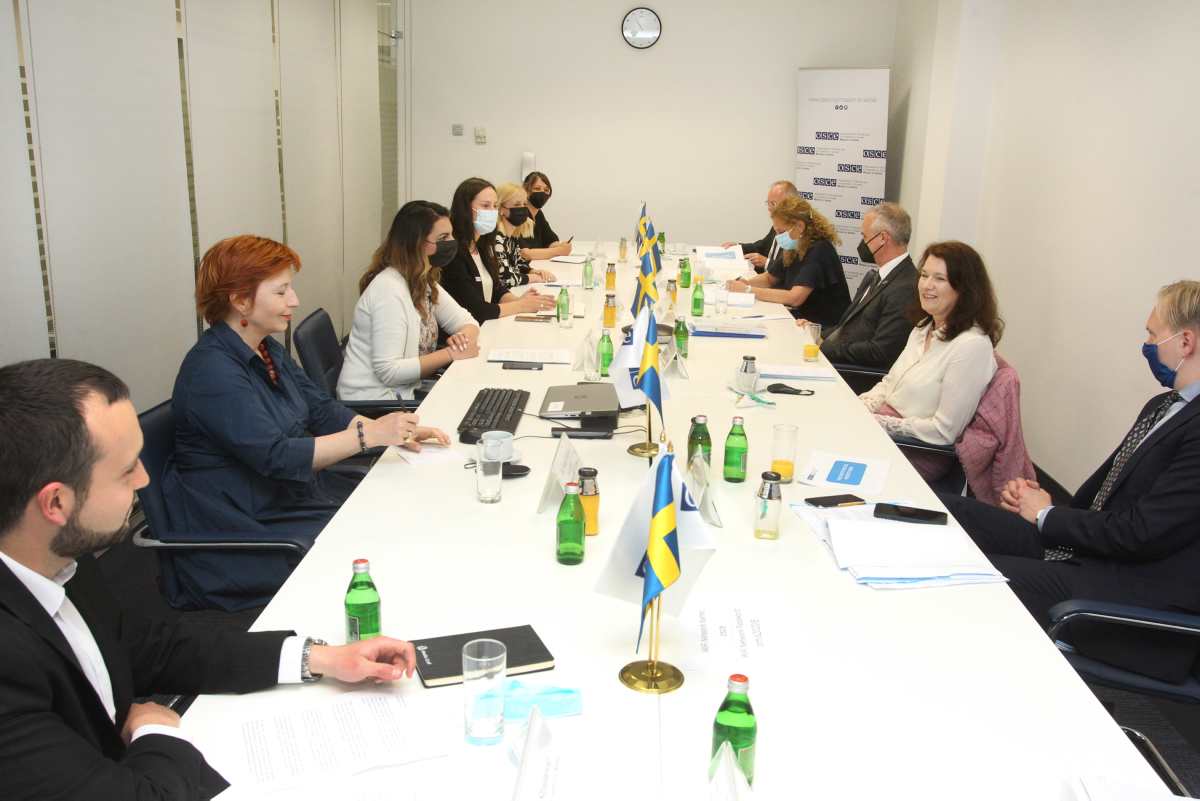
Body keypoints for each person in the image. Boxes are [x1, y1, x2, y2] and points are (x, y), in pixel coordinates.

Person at [0, 358, 421, 801]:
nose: (145, 479)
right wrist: (155, 732)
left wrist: (320, 658)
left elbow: (150, 648)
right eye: (126, 471)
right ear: (56, 503)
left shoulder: (58, 556)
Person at [163, 235, 448, 610]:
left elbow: (321, 410)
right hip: (250, 529)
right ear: (240, 300)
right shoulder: (212, 371)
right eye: (281, 292)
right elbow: (279, 456)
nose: (294, 301)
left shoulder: (265, 348)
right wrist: (370, 435)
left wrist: (392, 432)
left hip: (290, 497)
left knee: (403, 511)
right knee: (391, 543)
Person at [943, 280, 1200, 682]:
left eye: (1153, 335)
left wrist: (1046, 516)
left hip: (1132, 589)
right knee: (950, 511)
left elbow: (1142, 532)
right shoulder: (1164, 405)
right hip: (1095, 549)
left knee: (969, 575)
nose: (1147, 345)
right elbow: (1109, 495)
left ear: (1185, 342)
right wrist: (1043, 504)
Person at [860, 241, 1001, 480]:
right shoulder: (923, 328)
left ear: (964, 289)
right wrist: (862, 406)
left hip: (913, 450)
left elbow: (944, 431)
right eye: (924, 275)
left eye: (940, 279)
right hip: (883, 433)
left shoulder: (971, 346)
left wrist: (881, 423)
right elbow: (889, 383)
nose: (926, 285)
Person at [340, 201, 481, 401]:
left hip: (405, 391)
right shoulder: (388, 290)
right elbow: (389, 371)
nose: (452, 243)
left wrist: (461, 341)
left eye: (451, 235)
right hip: (376, 401)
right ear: (417, 243)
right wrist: (452, 353)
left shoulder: (422, 280)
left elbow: (469, 322)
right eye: (443, 238)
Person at [809, 201, 917, 370]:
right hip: (837, 359)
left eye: (865, 237)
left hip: (852, 373)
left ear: (883, 238)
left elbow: (881, 351)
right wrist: (814, 333)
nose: (862, 243)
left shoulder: (905, 287)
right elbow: (846, 326)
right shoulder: (874, 276)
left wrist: (826, 348)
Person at [438, 177, 556, 322]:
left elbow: (496, 289)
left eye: (495, 206)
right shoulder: (454, 253)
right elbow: (477, 310)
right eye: (485, 206)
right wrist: (521, 305)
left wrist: (519, 300)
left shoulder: (483, 244)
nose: (493, 211)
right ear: (465, 208)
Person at [725, 196, 850, 328]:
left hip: (822, 326)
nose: (778, 237)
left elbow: (795, 298)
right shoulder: (794, 245)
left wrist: (748, 290)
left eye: (782, 232)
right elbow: (769, 278)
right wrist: (745, 283)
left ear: (800, 226)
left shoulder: (819, 250)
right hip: (800, 318)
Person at [721, 180, 800, 274]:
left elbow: (790, 270)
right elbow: (761, 245)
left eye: (773, 204)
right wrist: (737, 247)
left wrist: (766, 262)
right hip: (764, 277)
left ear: (790, 205)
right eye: (768, 203)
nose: (769, 208)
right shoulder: (777, 225)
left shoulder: (798, 232)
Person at [494, 182, 555, 289]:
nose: (522, 209)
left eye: (524, 204)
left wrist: (533, 271)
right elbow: (505, 279)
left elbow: (519, 264)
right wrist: (533, 278)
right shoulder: (496, 238)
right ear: (501, 209)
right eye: (517, 205)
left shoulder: (512, 237)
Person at [518, 171, 572, 261]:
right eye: (537, 188)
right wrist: (559, 251)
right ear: (526, 190)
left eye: (546, 190)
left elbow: (550, 241)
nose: (542, 193)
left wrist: (562, 246)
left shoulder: (538, 214)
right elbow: (525, 253)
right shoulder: (519, 214)